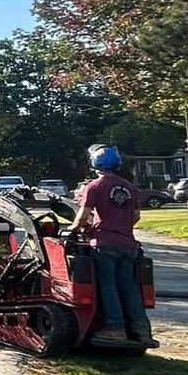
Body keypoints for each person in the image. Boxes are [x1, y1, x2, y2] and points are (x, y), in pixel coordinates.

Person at [70, 145, 154, 347]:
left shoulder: (94, 186)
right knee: (128, 286)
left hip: (104, 244)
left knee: (107, 285)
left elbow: (83, 216)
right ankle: (141, 330)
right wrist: (121, 228)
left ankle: (115, 328)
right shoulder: (129, 187)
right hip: (128, 245)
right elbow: (136, 216)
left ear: (95, 164)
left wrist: (73, 228)